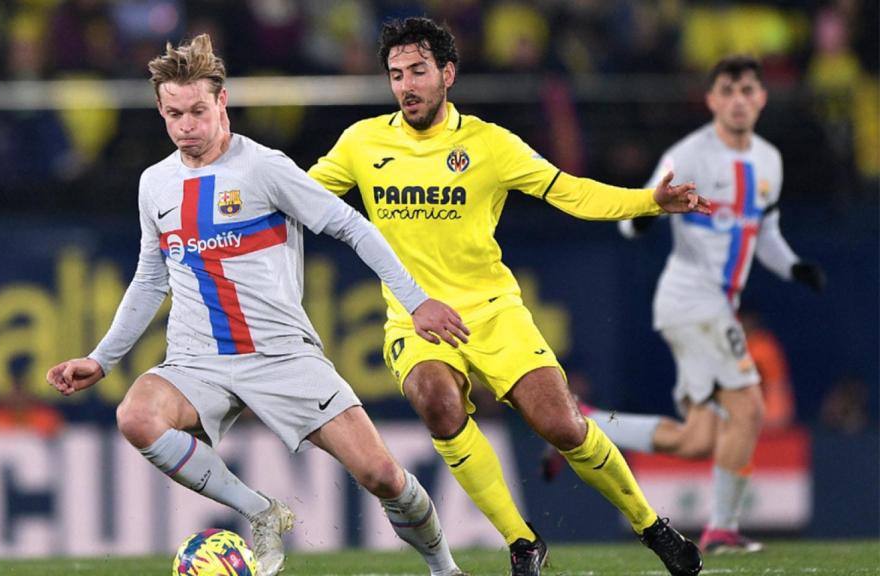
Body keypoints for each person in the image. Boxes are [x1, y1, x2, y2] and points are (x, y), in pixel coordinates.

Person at [45, 35, 470, 576]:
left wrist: (416, 302)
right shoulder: (155, 184)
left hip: (279, 354)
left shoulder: (265, 168)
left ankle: (444, 568)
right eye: (174, 113)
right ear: (160, 109)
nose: (186, 126)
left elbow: (351, 227)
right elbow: (151, 278)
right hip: (197, 358)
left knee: (383, 475)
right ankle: (262, 511)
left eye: (198, 111)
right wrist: (101, 359)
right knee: (136, 415)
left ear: (222, 103)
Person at [308, 17, 706, 576]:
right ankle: (522, 542)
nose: (407, 86)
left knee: (561, 425)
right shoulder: (361, 142)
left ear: (447, 73)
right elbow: (301, 196)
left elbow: (569, 191)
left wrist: (649, 202)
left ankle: (650, 525)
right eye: (396, 75)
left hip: (493, 312)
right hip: (414, 318)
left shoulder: (490, 145)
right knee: (436, 401)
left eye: (418, 71)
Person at [577, 55, 826, 555]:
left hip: (714, 306)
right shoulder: (687, 154)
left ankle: (585, 423)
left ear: (761, 97)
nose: (738, 99)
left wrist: (795, 266)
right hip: (693, 299)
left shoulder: (769, 161)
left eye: (747, 90)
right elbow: (635, 213)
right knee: (750, 409)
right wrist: (648, 216)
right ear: (711, 100)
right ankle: (722, 528)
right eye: (727, 90)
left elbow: (766, 234)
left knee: (697, 439)